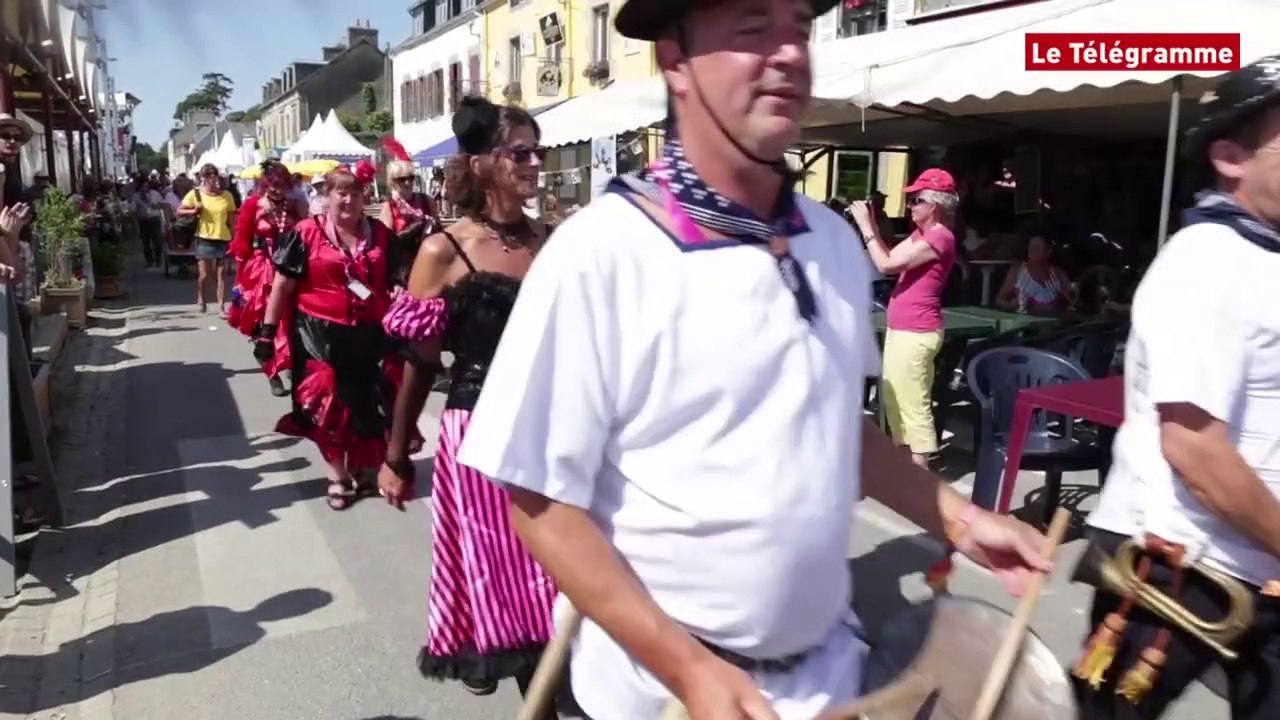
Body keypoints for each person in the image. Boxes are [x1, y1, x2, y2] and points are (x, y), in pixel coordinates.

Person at [453, 1, 1052, 718]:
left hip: (829, 681)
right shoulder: (599, 252)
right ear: (676, 61)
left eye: (798, 28)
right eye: (751, 27)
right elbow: (539, 502)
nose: (790, 53)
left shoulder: (831, 241)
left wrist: (958, 517)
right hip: (659, 695)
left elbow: (838, 432)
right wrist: (688, 671)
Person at [1072, 56, 1280, 720]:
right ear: (1231, 157)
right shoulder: (1209, 262)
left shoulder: (1262, 258)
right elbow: (1196, 450)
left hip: (1254, 560)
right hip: (1176, 567)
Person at [377, 96, 555, 700]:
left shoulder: (553, 241)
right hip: (481, 434)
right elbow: (417, 366)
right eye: (520, 151)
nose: (535, 161)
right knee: (514, 579)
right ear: (481, 164)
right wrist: (397, 458)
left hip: (558, 428)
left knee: (560, 579)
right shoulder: (442, 250)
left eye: (539, 149)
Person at [256, 161, 419, 511]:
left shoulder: (379, 233)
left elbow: (398, 275)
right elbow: (282, 285)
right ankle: (337, 475)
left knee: (365, 406)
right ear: (327, 196)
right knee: (326, 408)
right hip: (318, 335)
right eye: (340, 192)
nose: (347, 200)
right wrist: (267, 334)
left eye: (354, 192)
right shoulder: (304, 232)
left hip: (370, 335)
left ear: (364, 196)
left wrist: (404, 296)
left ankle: (362, 468)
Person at [851, 168, 957, 469]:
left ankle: (920, 475)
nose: (909, 205)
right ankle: (905, 467)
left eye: (915, 200)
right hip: (903, 328)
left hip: (917, 330)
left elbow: (885, 265)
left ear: (933, 204)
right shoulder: (922, 234)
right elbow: (887, 256)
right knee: (893, 395)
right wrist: (871, 227)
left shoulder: (941, 237)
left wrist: (866, 225)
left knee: (912, 402)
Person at [228, 160, 306, 397]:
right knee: (261, 324)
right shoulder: (253, 205)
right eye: (272, 184)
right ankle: (271, 374)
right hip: (262, 269)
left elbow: (307, 233)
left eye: (281, 185)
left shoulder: (294, 206)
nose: (276, 189)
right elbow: (242, 243)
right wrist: (241, 279)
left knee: (293, 320)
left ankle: (293, 364)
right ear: (265, 184)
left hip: (290, 267)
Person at [177, 163, 237, 314]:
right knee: (204, 275)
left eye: (214, 174)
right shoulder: (196, 194)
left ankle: (221, 307)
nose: (212, 177)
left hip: (223, 237)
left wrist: (235, 238)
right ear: (202, 177)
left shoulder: (227, 196)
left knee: (221, 274)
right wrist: (194, 210)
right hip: (204, 237)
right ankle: (201, 298)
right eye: (208, 175)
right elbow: (179, 211)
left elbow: (232, 220)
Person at [994, 234, 1074, 312]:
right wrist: (1011, 305)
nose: (1033, 249)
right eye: (1031, 246)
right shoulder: (1017, 270)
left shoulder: (1058, 274)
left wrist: (1069, 299)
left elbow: (1075, 302)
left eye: (1038, 246)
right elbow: (1000, 299)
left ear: (1048, 251)